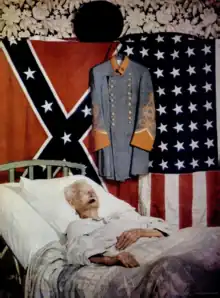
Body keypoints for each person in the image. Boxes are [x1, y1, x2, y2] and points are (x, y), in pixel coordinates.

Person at [64, 180, 170, 268]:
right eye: (81, 193)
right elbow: (75, 253)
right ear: (72, 202)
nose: (91, 194)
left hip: (163, 246)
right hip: (139, 257)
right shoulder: (77, 226)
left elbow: (165, 227)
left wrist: (141, 232)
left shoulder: (121, 216)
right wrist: (110, 259)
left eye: (92, 191)